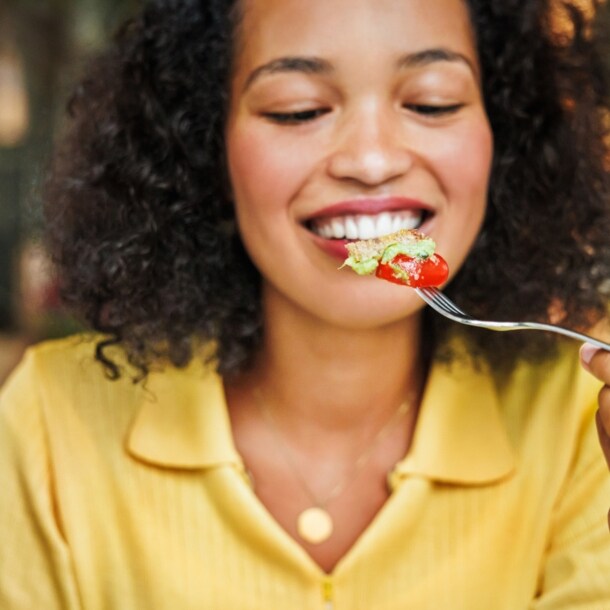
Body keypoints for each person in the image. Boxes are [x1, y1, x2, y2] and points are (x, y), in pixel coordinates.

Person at [1, 0, 610, 607]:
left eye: (431, 103)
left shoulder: (580, 428)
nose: (372, 162)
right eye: (300, 110)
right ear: (206, 141)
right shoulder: (51, 427)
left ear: (502, 132)